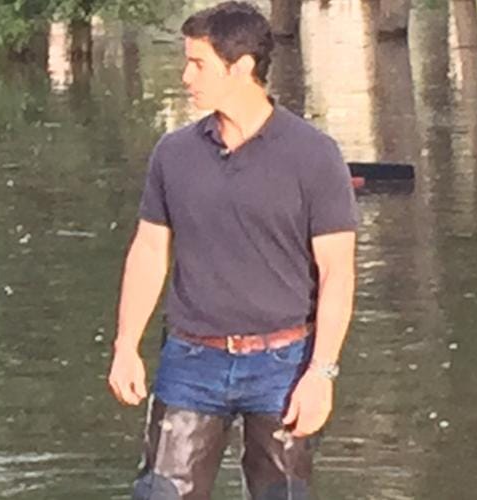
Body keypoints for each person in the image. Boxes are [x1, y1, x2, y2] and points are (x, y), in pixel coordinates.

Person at [105, 2, 358, 499]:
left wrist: (322, 373)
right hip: (190, 358)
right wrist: (125, 346)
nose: (185, 76)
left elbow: (337, 273)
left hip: (285, 361)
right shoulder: (173, 154)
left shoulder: (314, 155)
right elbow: (150, 250)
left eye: (198, 64)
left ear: (241, 67)